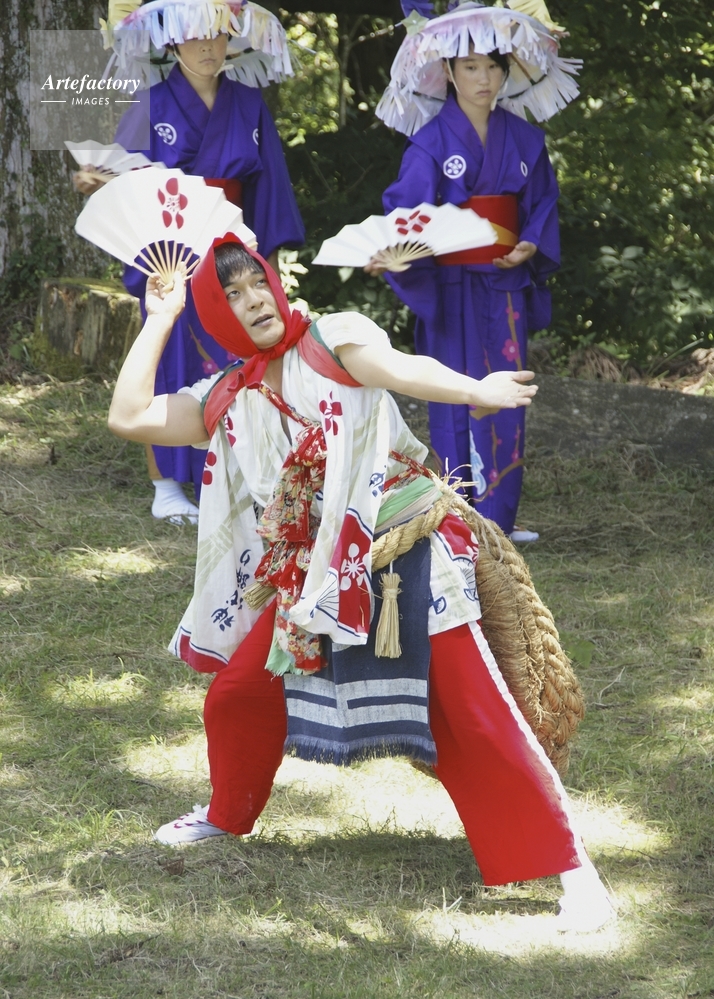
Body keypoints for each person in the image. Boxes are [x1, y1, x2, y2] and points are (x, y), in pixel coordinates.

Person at [107, 234, 614, 933]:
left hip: (406, 552)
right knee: (239, 692)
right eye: (231, 295)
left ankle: (576, 872)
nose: (253, 300)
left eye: (257, 283)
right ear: (217, 315)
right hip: (316, 575)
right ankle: (226, 815)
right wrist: (161, 317)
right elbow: (128, 417)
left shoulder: (334, 338)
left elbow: (401, 368)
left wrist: (476, 390)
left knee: (471, 711)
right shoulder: (226, 394)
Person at [77, 0, 304, 521]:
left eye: (218, 34)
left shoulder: (249, 103)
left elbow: (269, 187)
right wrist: (98, 180)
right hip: (172, 252)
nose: (208, 47)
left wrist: (265, 266)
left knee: (238, 357)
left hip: (232, 248)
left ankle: (236, 471)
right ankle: (166, 484)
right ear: (174, 41)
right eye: (196, 36)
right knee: (169, 355)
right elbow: (120, 177)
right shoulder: (151, 103)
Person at [374, 2, 574, 542]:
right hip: (452, 288)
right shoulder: (430, 142)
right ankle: (458, 515)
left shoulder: (525, 139)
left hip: (505, 285)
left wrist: (530, 244)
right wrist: (398, 252)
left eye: (492, 67)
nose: (482, 79)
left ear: (506, 72)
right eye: (469, 67)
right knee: (455, 392)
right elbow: (406, 213)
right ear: (448, 71)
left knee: (507, 394)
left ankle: (500, 518)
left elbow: (542, 203)